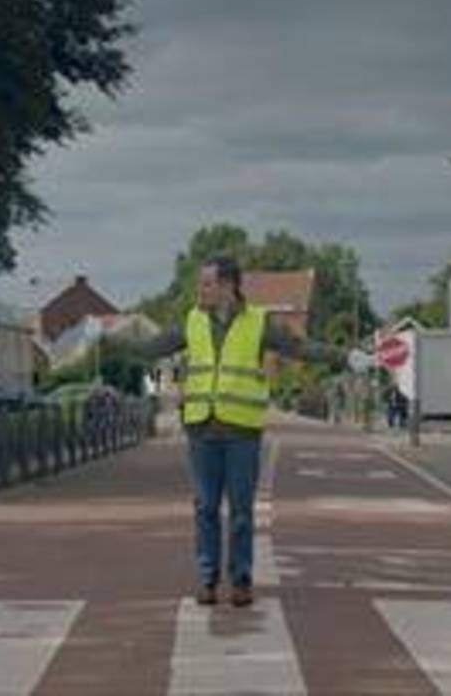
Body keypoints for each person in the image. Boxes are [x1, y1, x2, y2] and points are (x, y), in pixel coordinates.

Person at [131, 257, 372, 608]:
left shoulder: (258, 322)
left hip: (241, 431)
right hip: (201, 429)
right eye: (201, 284)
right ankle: (208, 579)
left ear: (228, 286)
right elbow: (150, 347)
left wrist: (345, 356)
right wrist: (103, 338)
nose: (201, 290)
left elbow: (299, 347)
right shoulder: (192, 321)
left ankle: (241, 580)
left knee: (241, 511)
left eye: (207, 284)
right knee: (205, 507)